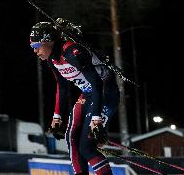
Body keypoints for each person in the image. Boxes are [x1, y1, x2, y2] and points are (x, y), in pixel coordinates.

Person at [29, 20, 120, 175]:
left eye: (36, 46)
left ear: (48, 41)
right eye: (32, 47)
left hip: (105, 94)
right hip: (89, 94)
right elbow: (62, 86)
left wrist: (96, 119)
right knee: (70, 137)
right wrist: (57, 117)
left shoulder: (72, 52)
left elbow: (97, 84)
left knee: (86, 147)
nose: (35, 51)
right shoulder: (52, 58)